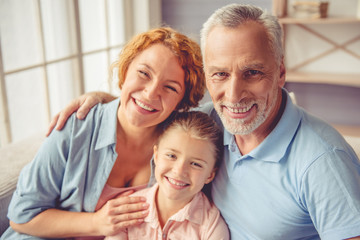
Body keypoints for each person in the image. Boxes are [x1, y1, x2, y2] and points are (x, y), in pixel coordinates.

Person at [33, 3, 360, 240]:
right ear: (207, 77)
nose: (234, 95)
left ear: (281, 73)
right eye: (220, 74)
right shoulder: (209, 123)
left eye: (253, 73)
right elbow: (150, 110)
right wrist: (102, 101)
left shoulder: (322, 161)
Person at [1, 27, 205, 240]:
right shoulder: (77, 127)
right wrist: (96, 223)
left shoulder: (186, 142)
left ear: (182, 103)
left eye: (170, 87)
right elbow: (21, 215)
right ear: (125, 70)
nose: (151, 92)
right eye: (144, 73)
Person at [105, 111, 229, 240]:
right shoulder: (126, 211)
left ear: (210, 175)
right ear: (156, 156)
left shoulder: (211, 227)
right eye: (171, 156)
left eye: (195, 164)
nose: (179, 171)